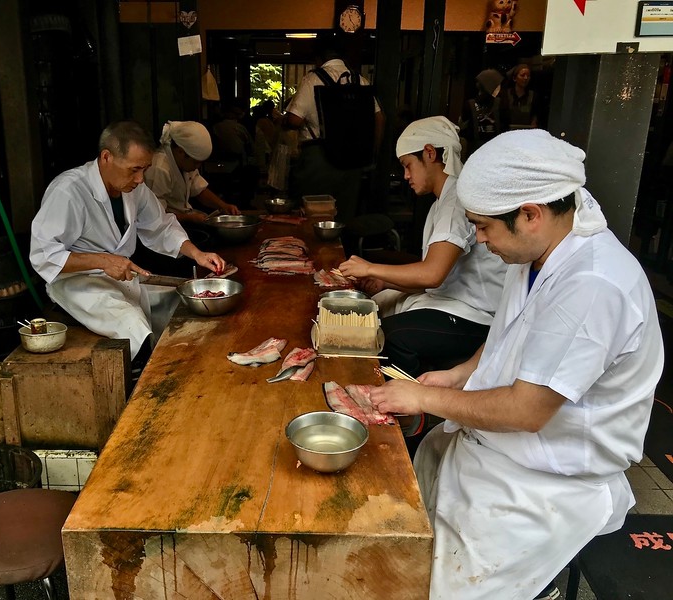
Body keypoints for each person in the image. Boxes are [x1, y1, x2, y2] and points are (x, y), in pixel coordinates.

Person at [369, 129, 664, 600]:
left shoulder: (593, 284)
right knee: (398, 535)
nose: (479, 240)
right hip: (496, 453)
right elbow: (509, 333)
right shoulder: (539, 251)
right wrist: (458, 374)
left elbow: (527, 411)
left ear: (530, 214)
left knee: (431, 588)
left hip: (546, 481)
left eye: (484, 227)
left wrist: (426, 396)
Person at [29, 120, 227, 365]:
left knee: (172, 315)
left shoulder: (134, 188)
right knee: (135, 328)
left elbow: (161, 225)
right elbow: (43, 255)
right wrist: (103, 262)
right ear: (106, 157)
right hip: (77, 282)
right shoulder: (68, 191)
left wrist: (196, 254)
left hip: (121, 277)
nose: (140, 179)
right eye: (134, 169)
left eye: (145, 169)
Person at [338, 116, 507, 378]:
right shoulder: (443, 201)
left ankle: (410, 408)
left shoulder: (456, 202)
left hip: (475, 315)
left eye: (408, 165)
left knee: (390, 334)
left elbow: (432, 274)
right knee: (372, 308)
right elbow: (432, 278)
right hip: (452, 303)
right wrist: (385, 283)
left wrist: (371, 268)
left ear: (429, 153)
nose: (406, 175)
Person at [284, 33, 385, 222]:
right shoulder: (360, 80)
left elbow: (294, 121)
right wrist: (372, 155)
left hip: (318, 159)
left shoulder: (313, 79)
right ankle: (342, 251)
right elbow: (380, 119)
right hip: (353, 161)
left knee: (311, 214)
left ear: (319, 58)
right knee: (343, 216)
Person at [144, 120, 240, 225]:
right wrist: (188, 218)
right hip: (167, 229)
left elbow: (199, 189)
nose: (197, 167)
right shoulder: (159, 168)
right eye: (195, 163)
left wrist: (222, 205)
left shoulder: (185, 162)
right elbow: (155, 215)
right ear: (181, 151)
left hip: (185, 220)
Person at [459, 68, 504, 160]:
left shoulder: (469, 104)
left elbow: (462, 126)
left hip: (475, 151)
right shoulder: (501, 104)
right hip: (495, 151)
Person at [501, 63, 538, 129]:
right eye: (522, 75)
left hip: (527, 131)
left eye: (528, 76)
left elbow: (535, 114)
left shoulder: (532, 95)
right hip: (509, 132)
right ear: (514, 78)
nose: (526, 78)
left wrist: (534, 122)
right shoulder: (506, 94)